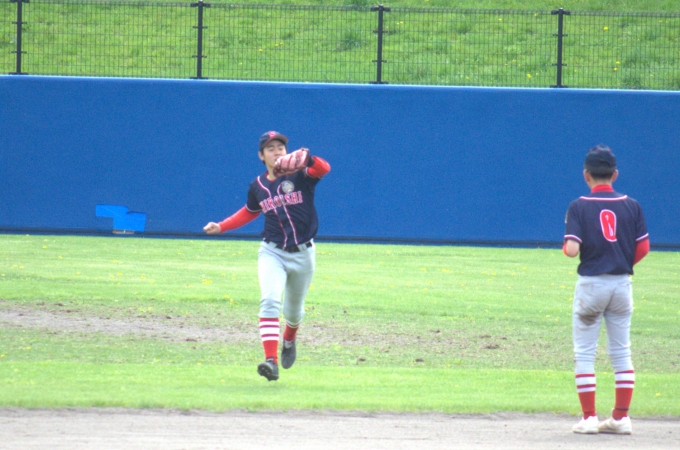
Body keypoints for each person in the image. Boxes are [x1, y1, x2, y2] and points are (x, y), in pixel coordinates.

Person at [204, 131, 331, 381]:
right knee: (270, 301)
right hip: (272, 252)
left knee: (293, 312)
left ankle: (289, 339)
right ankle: (270, 361)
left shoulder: (300, 176)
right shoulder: (258, 186)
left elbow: (324, 169)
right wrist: (222, 226)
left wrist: (309, 159)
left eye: (280, 147)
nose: (277, 151)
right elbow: (250, 211)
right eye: (270, 148)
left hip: (303, 254)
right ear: (261, 156)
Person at [563, 144, 649, 435]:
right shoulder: (632, 205)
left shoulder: (579, 206)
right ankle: (620, 418)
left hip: (592, 285)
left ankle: (589, 419)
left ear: (586, 175)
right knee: (621, 352)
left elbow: (571, 250)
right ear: (615, 174)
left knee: (585, 353)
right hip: (621, 284)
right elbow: (643, 248)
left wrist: (569, 245)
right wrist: (620, 262)